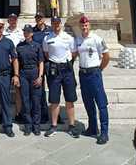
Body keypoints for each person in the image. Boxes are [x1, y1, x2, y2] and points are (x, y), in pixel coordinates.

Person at [74, 15, 110, 145]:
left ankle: (104, 132)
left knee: (101, 103)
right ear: (80, 26)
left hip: (94, 73)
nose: (84, 27)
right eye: (82, 25)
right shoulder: (78, 39)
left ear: (89, 26)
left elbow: (106, 56)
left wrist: (99, 69)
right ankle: (93, 127)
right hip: (83, 74)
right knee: (88, 102)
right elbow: (75, 54)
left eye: (86, 25)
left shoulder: (97, 39)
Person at [43, 16, 80, 138]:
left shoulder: (69, 38)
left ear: (61, 24)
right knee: (54, 99)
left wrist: (67, 62)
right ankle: (53, 125)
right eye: (54, 23)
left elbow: (74, 53)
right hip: (54, 70)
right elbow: (46, 54)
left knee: (70, 98)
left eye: (58, 23)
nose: (56, 25)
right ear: (51, 24)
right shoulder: (47, 38)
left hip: (67, 69)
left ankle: (72, 125)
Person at [17, 24, 44, 136]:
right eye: (25, 31)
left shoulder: (37, 46)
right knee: (25, 100)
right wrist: (17, 75)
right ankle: (28, 125)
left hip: (34, 72)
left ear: (32, 33)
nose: (26, 33)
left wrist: (40, 76)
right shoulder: (19, 46)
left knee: (36, 101)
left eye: (28, 31)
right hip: (23, 74)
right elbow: (17, 62)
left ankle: (36, 126)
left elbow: (41, 62)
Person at [4, 13, 25, 123]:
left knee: (18, 90)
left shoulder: (21, 33)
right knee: (5, 90)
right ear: (8, 21)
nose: (13, 21)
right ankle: (4, 114)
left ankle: (18, 113)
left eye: (14, 19)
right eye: (11, 19)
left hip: (18, 64)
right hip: (6, 64)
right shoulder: (4, 33)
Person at [32, 12, 51, 124]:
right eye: (37, 18)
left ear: (44, 18)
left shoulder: (50, 30)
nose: (39, 19)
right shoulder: (33, 31)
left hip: (49, 62)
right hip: (38, 64)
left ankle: (55, 114)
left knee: (54, 89)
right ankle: (43, 114)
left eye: (40, 17)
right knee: (41, 91)